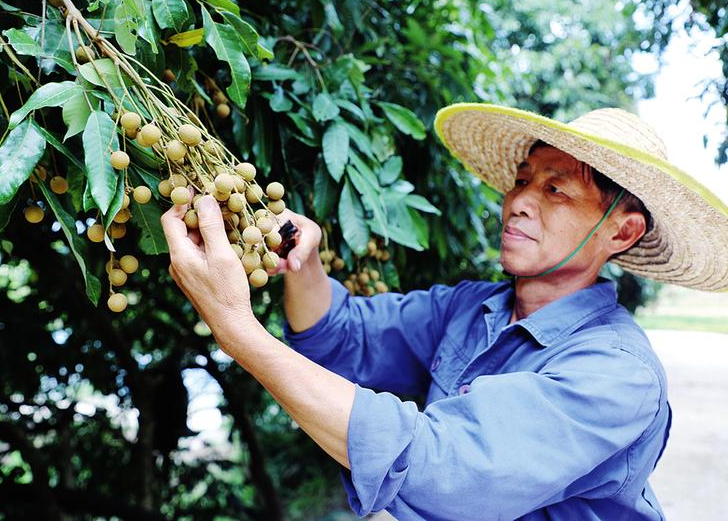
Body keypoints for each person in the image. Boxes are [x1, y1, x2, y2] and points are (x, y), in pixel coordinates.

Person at [160, 103, 728, 520]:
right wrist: (303, 265)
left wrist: (236, 328)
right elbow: (341, 338)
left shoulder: (616, 373)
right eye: (524, 180)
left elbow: (444, 469)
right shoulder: (470, 308)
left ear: (622, 232)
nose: (520, 201)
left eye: (557, 191)